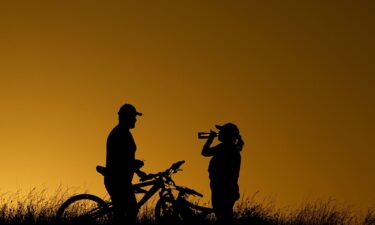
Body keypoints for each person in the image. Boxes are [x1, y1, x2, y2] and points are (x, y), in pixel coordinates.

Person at [104, 103, 147, 224]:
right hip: (118, 180)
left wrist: (137, 171)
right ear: (126, 117)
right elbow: (121, 159)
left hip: (121, 179)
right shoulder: (120, 134)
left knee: (124, 212)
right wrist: (135, 164)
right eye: (133, 116)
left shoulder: (124, 133)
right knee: (131, 210)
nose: (135, 119)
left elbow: (126, 158)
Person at [201, 123, 244, 224]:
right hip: (226, 188)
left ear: (227, 135)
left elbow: (205, 152)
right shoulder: (231, 148)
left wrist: (210, 139)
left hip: (222, 188)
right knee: (224, 216)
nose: (219, 133)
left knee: (223, 216)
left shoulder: (225, 147)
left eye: (222, 131)